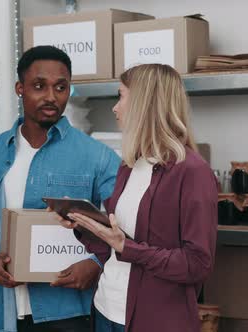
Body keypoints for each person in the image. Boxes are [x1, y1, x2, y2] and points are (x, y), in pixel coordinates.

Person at [0, 45, 121, 332]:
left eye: (61, 87)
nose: (51, 97)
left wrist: (96, 263)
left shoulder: (98, 157)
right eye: (39, 86)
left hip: (69, 315)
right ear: (20, 88)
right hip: (1, 313)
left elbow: (127, 224)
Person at [54, 64, 218, 332]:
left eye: (121, 96)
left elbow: (197, 265)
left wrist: (128, 248)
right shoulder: (130, 165)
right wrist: (86, 227)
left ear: (144, 103)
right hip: (105, 310)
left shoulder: (193, 172)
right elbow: (113, 249)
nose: (115, 108)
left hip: (153, 321)